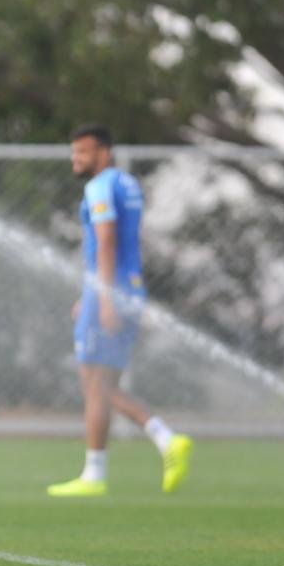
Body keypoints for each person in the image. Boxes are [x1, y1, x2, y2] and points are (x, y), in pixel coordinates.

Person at [47, 124, 192, 498]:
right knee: (99, 385)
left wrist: (104, 298)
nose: (76, 159)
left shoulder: (98, 187)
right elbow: (120, 245)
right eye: (74, 152)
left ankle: (163, 438)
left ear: (104, 153)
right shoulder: (128, 184)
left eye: (83, 152)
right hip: (129, 288)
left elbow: (107, 241)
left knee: (96, 385)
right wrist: (91, 295)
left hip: (110, 293)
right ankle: (96, 472)